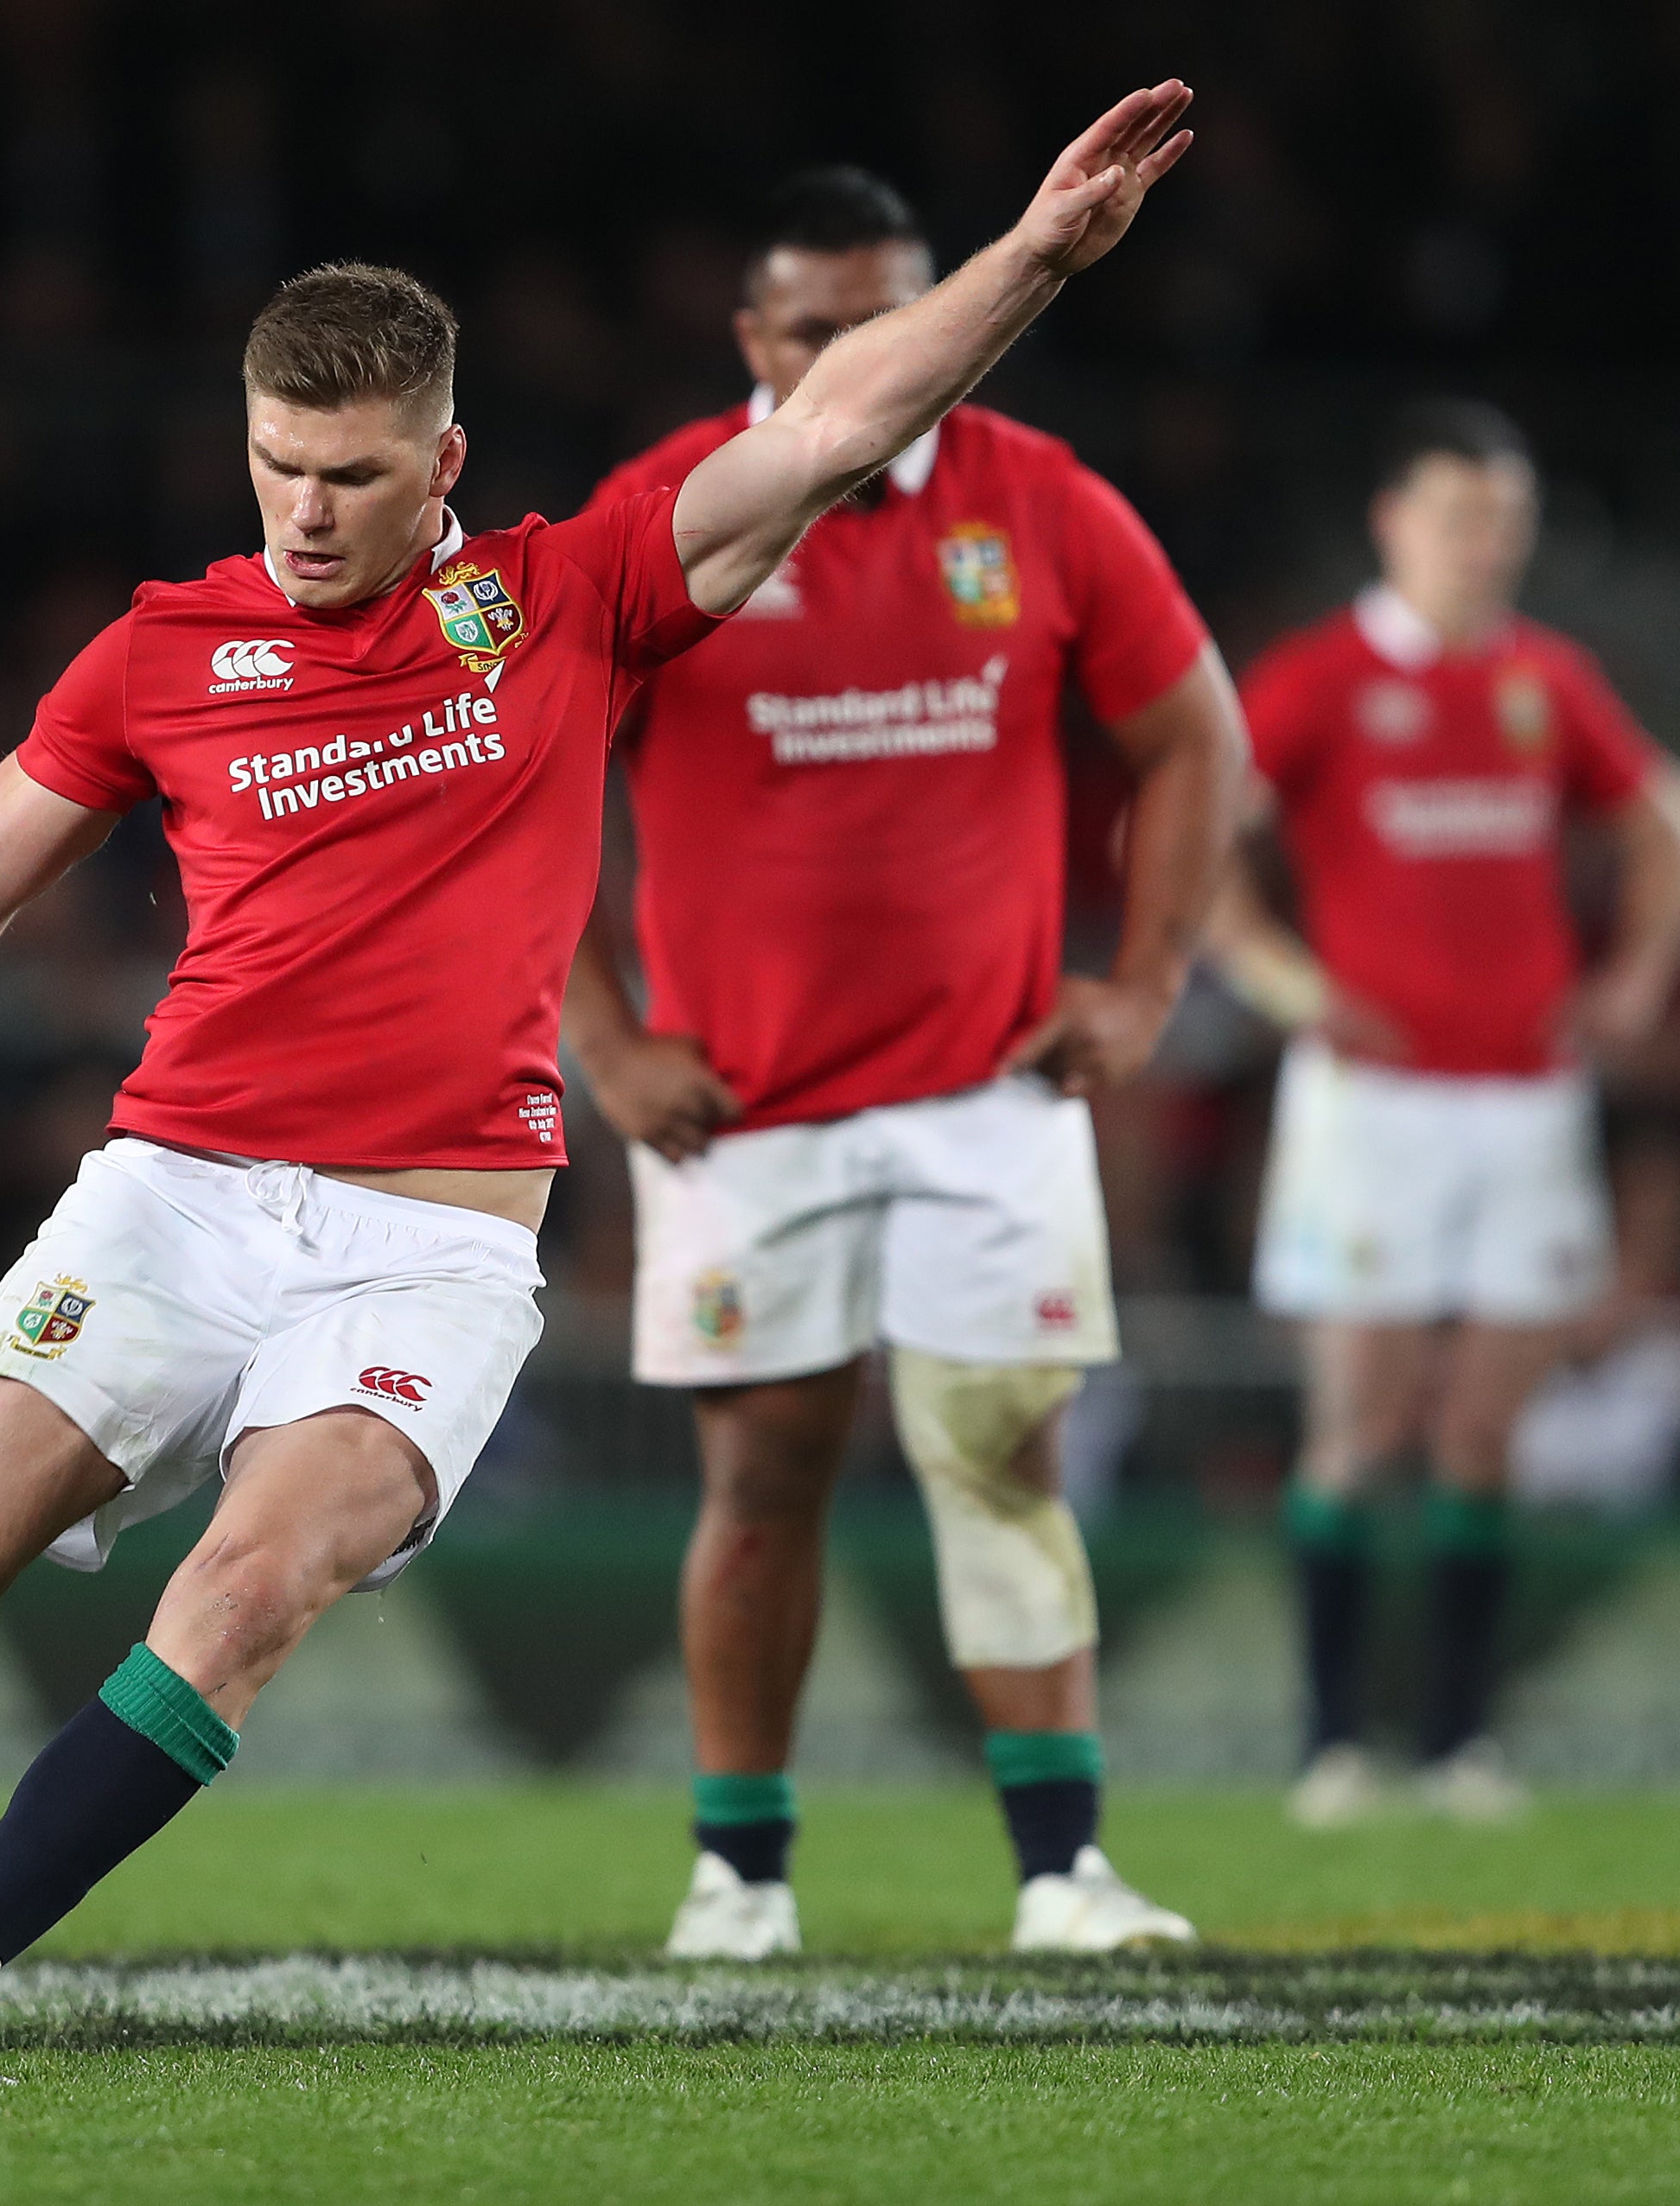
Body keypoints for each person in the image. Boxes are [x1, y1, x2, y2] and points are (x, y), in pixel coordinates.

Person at [0, 86, 1198, 2086]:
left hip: (430, 1243)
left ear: (446, 464)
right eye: (279, 466)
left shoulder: (571, 599)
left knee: (252, 1584)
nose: (307, 511)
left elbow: (834, 429)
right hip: (174, 1195)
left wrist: (1031, 256)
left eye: (353, 472)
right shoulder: (160, 650)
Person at [566, 168, 1244, 1958]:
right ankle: (742, 1871)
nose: (860, 361)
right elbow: (520, 776)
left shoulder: (1042, 499)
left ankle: (1059, 1869)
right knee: (766, 1478)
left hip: (990, 1093)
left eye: (888, 321)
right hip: (747, 1112)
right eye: (815, 332)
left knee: (1001, 1453)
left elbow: (1196, 737)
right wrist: (604, 1037)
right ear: (750, 340)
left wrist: (1148, 982)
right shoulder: (673, 514)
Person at [1212, 399, 1680, 1827]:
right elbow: (1191, 835)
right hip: (1372, 1104)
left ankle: (1455, 1743)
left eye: (1504, 518)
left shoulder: (1544, 681)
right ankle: (1328, 1741)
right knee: (1360, 1422)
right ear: (1391, 520)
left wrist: (1632, 980)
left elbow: (1678, 829)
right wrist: (1280, 980)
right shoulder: (1319, 678)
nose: (1483, 542)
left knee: (1484, 1435)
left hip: (1525, 1102)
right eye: (1457, 514)